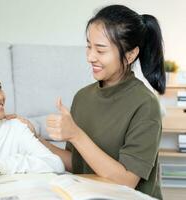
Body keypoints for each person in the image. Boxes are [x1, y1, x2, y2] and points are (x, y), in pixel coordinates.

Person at [40, 4, 165, 199]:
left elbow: (126, 182)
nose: (90, 57)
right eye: (89, 46)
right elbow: (78, 163)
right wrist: (35, 139)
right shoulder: (82, 97)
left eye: (100, 50)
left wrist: (76, 135)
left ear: (131, 54)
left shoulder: (145, 104)